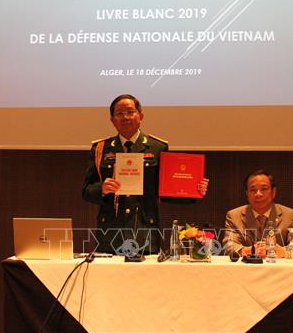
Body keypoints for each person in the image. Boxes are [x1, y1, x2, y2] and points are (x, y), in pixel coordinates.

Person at [82, 94, 209, 255]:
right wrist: (102, 188)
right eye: (119, 113)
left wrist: (194, 191)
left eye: (130, 112)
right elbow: (86, 190)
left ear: (140, 116)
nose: (125, 117)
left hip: (144, 229)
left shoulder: (157, 147)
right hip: (110, 231)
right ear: (112, 120)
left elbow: (165, 189)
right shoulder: (100, 149)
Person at [223, 169, 293, 258]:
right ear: (247, 193)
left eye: (264, 189)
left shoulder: (289, 215)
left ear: (273, 192)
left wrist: (282, 251)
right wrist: (251, 250)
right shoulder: (233, 216)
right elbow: (229, 245)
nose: (258, 194)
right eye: (253, 190)